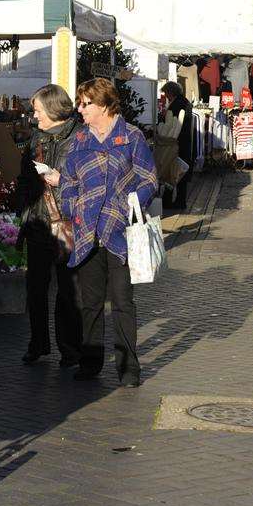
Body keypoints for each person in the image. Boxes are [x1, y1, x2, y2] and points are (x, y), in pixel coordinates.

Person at [60, 78, 158, 385]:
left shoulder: (130, 137)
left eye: (85, 103)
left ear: (104, 104)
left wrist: (133, 203)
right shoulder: (78, 140)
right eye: (80, 103)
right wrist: (74, 208)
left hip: (120, 232)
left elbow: (149, 180)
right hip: (87, 231)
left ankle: (129, 368)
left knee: (122, 302)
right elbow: (67, 182)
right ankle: (90, 363)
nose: (80, 109)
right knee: (90, 303)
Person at [16, 84, 82, 367]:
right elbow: (23, 179)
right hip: (39, 223)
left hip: (68, 222)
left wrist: (62, 181)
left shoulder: (80, 138)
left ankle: (69, 349)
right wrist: (23, 210)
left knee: (68, 289)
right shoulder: (36, 139)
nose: (35, 116)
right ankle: (38, 342)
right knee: (36, 287)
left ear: (54, 110)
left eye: (38, 110)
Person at [159, 82, 193, 209]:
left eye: (166, 93)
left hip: (177, 144)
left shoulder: (177, 105)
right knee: (179, 172)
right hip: (183, 143)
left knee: (173, 171)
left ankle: (172, 201)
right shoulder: (184, 101)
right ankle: (178, 200)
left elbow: (172, 124)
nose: (166, 96)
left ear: (170, 92)